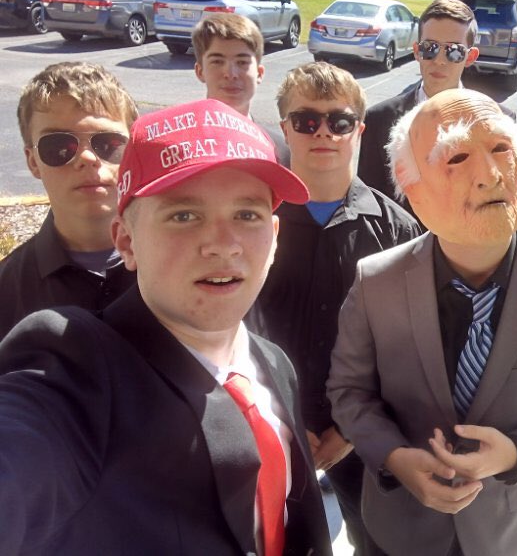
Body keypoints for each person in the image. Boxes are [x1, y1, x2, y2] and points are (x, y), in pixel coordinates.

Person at [0, 98, 333, 556]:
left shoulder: (272, 362)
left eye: (247, 214)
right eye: (184, 215)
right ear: (126, 240)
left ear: (274, 238)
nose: (223, 245)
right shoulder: (78, 366)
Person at [327, 88, 517, 556]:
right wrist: (396, 458)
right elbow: (348, 392)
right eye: (457, 157)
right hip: (399, 529)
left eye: (502, 148)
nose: (491, 174)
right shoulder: (377, 282)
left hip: (508, 533)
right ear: (413, 192)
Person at [248, 62, 420, 555]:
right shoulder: (252, 222)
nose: (323, 132)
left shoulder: (398, 232)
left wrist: (348, 429)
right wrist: (281, 416)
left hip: (364, 433)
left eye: (339, 121)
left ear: (359, 129)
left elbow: (408, 344)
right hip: (268, 425)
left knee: (378, 544)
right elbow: (229, 327)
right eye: (306, 121)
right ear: (284, 128)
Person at [0, 62, 138, 339]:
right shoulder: (7, 292)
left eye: (108, 144)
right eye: (60, 145)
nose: (87, 158)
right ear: (33, 162)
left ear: (133, 151)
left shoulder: (183, 266)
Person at [357, 0, 514, 214]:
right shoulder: (378, 119)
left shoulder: (500, 122)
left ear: (470, 57)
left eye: (454, 51)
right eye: (430, 48)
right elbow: (371, 205)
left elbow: (500, 203)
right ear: (416, 51)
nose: (439, 60)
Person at [192, 12, 290, 165]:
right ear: (200, 71)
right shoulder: (180, 145)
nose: (231, 74)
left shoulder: (279, 152)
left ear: (259, 73)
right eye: (217, 61)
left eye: (242, 62)